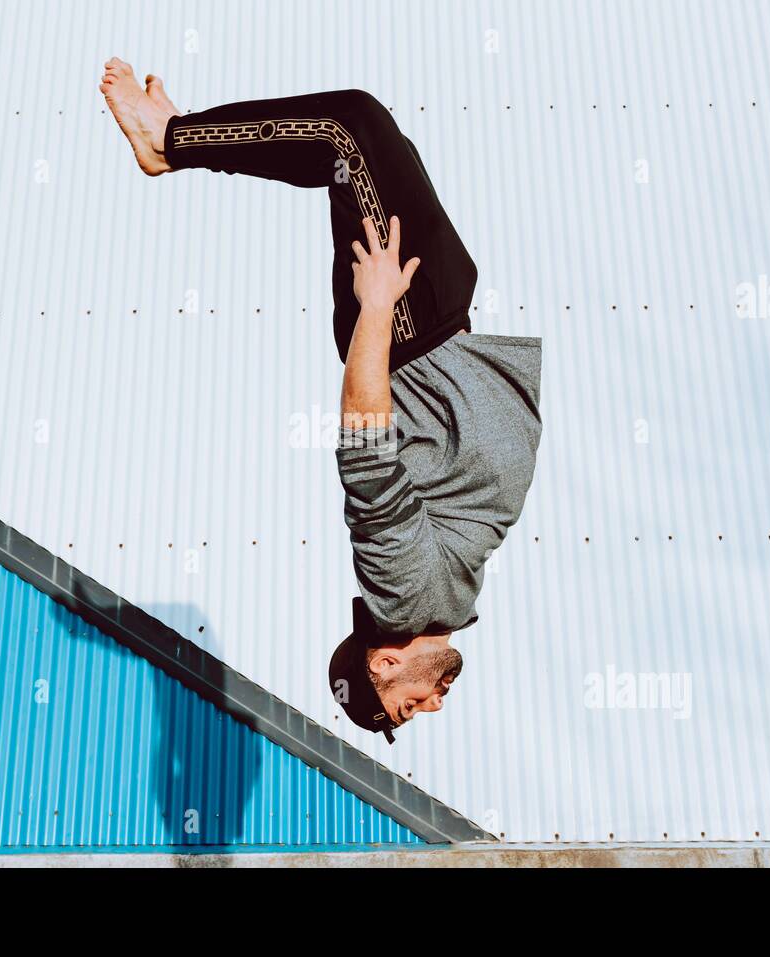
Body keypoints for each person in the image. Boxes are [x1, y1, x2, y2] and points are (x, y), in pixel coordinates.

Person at [99, 60, 542, 741]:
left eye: (406, 704)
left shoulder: (397, 593)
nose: (433, 704)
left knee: (346, 131)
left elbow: (365, 449)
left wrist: (376, 307)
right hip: (438, 328)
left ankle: (168, 142)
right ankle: (177, 140)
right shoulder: (443, 603)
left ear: (384, 661)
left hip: (404, 327)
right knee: (377, 143)